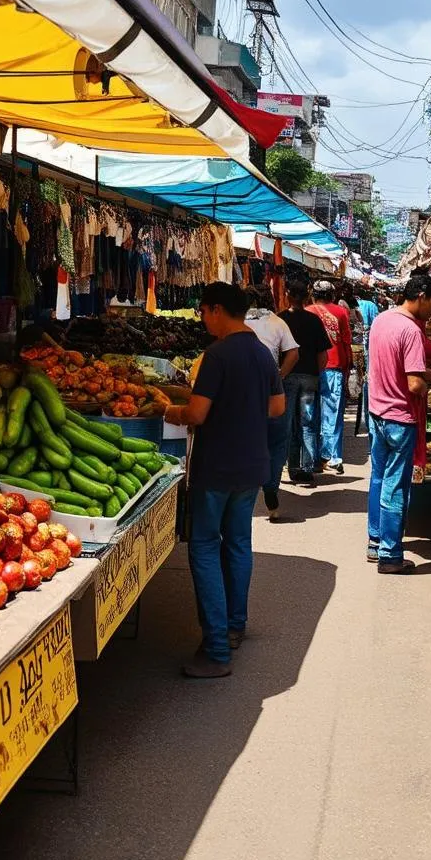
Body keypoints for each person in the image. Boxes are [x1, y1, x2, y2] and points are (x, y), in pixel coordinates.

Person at [164, 282, 285, 678]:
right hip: (251, 466)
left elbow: (197, 414)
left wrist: (171, 411)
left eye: (203, 312)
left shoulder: (217, 354)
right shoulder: (262, 354)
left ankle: (216, 649)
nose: (202, 319)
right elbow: (277, 407)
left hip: (216, 467)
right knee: (237, 544)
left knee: (203, 548)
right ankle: (235, 626)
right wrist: (243, 411)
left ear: (216, 310)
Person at [366, 275, 431, 573]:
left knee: (379, 479)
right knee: (396, 486)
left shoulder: (383, 319)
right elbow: (416, 384)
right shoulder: (409, 329)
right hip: (399, 418)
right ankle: (390, 556)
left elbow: (426, 349)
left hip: (377, 413)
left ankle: (375, 541)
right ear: (422, 296)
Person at [245, 285, 299, 520]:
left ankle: (245, 493)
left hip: (243, 390)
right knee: (277, 442)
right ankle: (271, 487)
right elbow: (293, 353)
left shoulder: (238, 322)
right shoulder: (278, 322)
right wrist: (280, 375)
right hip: (272, 388)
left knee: (246, 441)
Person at [278, 279, 331, 487]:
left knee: (289, 423)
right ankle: (308, 468)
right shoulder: (314, 321)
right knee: (308, 423)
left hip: (287, 376)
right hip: (309, 377)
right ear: (306, 296)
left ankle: (292, 468)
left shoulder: (280, 320)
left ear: (288, 295)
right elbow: (323, 355)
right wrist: (316, 375)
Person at [307, 281, 352, 475]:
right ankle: (333, 457)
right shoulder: (341, 312)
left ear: (313, 294)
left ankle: (314, 456)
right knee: (333, 415)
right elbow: (346, 341)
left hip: (312, 368)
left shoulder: (307, 310)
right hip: (334, 368)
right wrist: (349, 366)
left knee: (312, 414)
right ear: (332, 295)